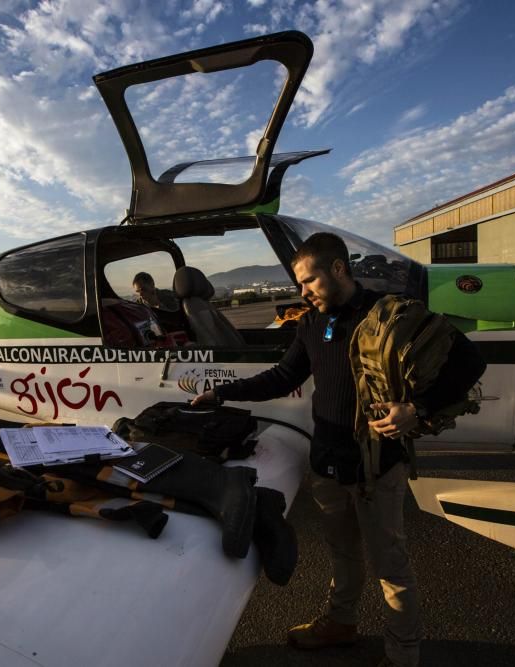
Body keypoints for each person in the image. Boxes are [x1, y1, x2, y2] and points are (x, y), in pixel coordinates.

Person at [191, 232, 485, 667]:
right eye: (299, 284)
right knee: (342, 554)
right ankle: (340, 623)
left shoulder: (391, 316)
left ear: (339, 270)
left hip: (376, 464)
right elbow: (283, 375)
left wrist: (416, 408)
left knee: (391, 567)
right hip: (327, 461)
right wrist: (222, 394)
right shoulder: (311, 322)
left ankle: (404, 653)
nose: (303, 292)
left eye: (309, 281)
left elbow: (469, 363)